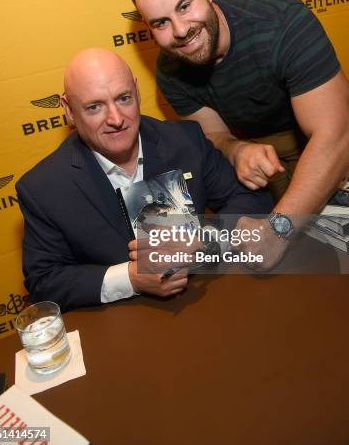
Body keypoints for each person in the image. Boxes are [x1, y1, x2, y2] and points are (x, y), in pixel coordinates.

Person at [129, 0, 349, 261]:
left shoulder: (280, 20)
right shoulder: (170, 71)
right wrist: (237, 150)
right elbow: (215, 136)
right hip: (257, 164)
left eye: (185, 6)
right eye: (161, 23)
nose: (181, 30)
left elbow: (337, 136)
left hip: (315, 146)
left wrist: (279, 229)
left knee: (344, 260)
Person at [16, 49, 272, 311]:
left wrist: (204, 240)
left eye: (123, 98)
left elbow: (252, 198)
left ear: (137, 92)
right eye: (94, 107)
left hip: (207, 302)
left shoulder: (185, 141)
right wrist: (130, 278)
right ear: (69, 111)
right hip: (122, 324)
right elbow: (43, 282)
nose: (116, 119)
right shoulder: (43, 188)